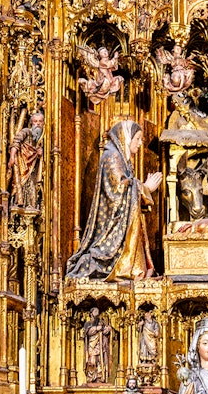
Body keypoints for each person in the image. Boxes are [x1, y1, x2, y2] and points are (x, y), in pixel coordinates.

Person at [66, 120, 162, 280]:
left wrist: (142, 191)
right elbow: (118, 189)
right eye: (137, 138)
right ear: (126, 137)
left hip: (120, 220)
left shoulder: (121, 158)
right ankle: (121, 269)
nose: (140, 143)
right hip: (111, 226)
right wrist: (145, 188)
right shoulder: (112, 156)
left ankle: (132, 270)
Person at [9, 111, 44, 209]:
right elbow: (16, 142)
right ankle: (16, 202)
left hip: (33, 169)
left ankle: (31, 204)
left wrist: (40, 154)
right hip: (21, 165)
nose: (37, 124)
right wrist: (12, 156)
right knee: (20, 184)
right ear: (31, 123)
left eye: (40, 121)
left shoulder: (42, 139)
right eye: (35, 121)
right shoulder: (26, 132)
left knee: (32, 186)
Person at [82, 307, 113, 383]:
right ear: (91, 313)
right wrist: (96, 328)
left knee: (100, 361)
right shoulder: (88, 323)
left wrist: (108, 329)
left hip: (101, 346)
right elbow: (87, 332)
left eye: (98, 311)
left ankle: (100, 378)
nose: (97, 313)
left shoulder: (102, 323)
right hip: (92, 345)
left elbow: (108, 331)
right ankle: (91, 377)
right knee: (91, 362)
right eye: (95, 311)